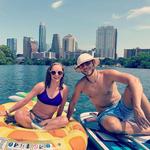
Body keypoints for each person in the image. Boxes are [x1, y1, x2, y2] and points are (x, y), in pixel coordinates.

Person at [67, 53, 150, 135]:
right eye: (82, 65)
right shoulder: (81, 85)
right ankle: (147, 130)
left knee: (136, 90)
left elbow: (135, 80)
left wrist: (137, 107)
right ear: (80, 69)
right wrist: (67, 120)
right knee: (113, 126)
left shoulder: (108, 74)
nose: (85, 67)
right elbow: (73, 102)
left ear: (93, 63)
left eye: (87, 63)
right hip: (106, 114)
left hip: (122, 105)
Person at [0, 62, 69, 130]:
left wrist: (56, 121)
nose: (56, 75)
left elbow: (61, 107)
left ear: (62, 74)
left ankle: (38, 128)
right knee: (19, 113)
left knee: (65, 120)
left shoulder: (64, 89)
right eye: (53, 72)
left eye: (59, 72)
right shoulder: (41, 86)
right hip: (32, 117)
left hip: (46, 121)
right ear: (50, 73)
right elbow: (25, 101)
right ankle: (39, 128)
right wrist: (7, 112)